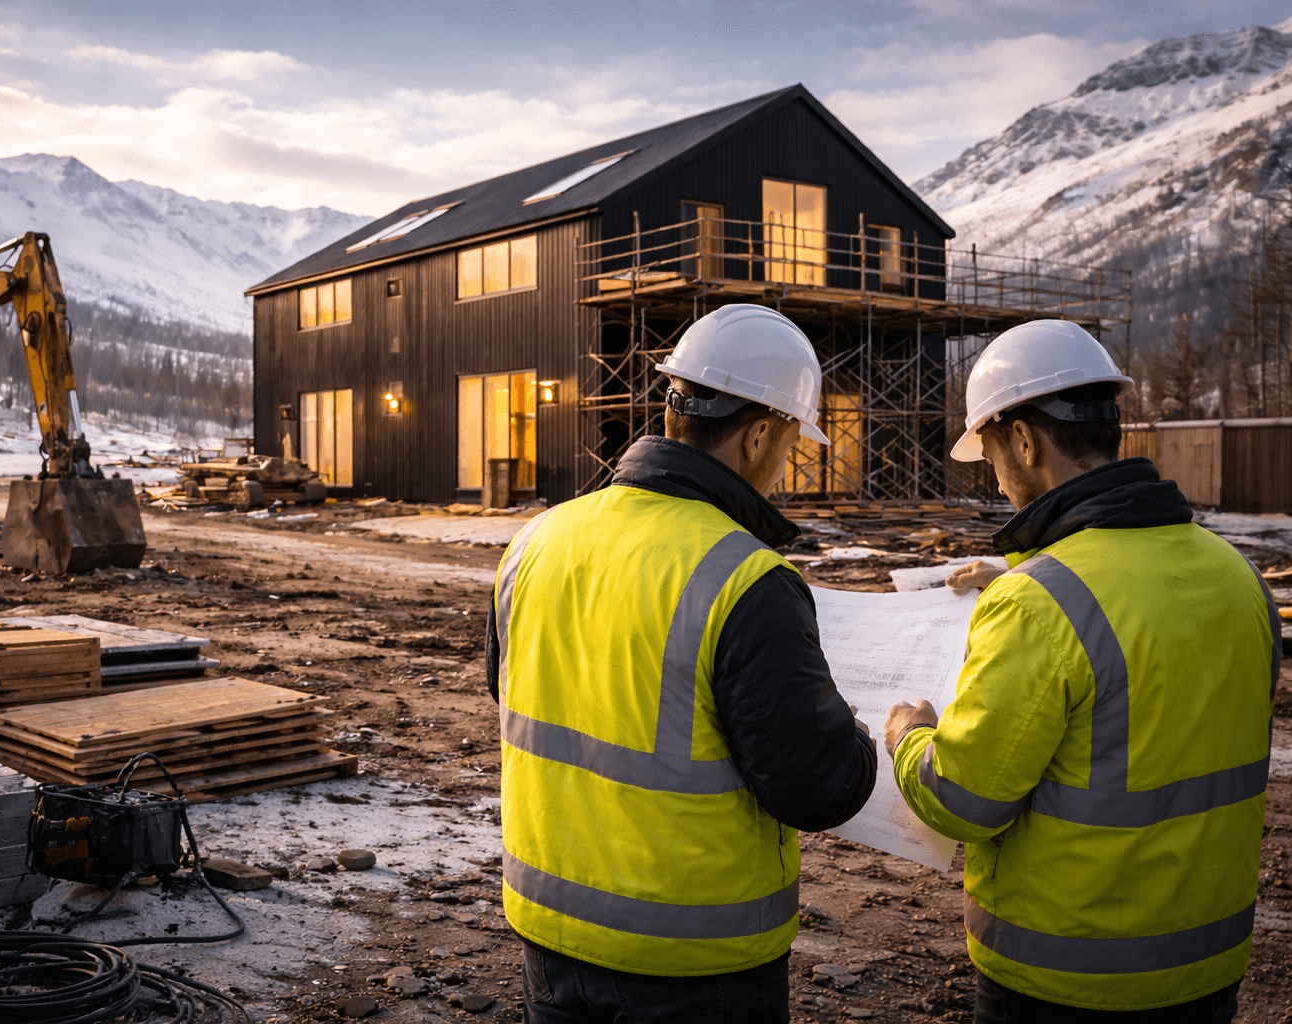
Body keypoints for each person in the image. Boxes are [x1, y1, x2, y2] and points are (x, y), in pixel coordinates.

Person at [486, 304, 877, 1023]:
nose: (786, 464)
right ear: (759, 434)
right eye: (791, 441)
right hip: (690, 961)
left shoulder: (537, 539)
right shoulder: (746, 579)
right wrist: (858, 733)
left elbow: (517, 692)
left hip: (549, 928)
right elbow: (816, 787)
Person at [884, 319, 1279, 1021]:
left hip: (1065, 978)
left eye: (991, 454)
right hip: (1207, 966)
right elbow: (1144, 644)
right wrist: (1024, 577)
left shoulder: (1039, 606)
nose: (995, 478)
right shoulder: (1238, 577)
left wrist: (910, 738)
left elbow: (963, 802)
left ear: (1024, 441)